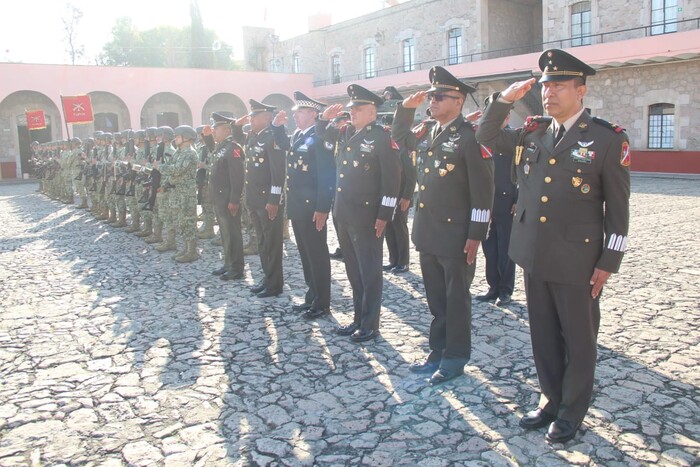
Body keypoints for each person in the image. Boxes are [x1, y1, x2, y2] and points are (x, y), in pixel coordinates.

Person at [476, 49, 631, 444]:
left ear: (581, 90)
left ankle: (571, 411)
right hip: (533, 252)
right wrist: (504, 99)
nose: (550, 93)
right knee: (542, 334)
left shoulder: (605, 139)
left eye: (559, 86)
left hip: (578, 259)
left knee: (579, 339)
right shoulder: (533, 131)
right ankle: (551, 398)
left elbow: (618, 207)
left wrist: (609, 260)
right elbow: (485, 137)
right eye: (546, 87)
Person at [392, 66, 494, 385]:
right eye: (431, 96)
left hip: (456, 235)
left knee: (456, 299)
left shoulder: (469, 138)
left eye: (438, 97)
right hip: (428, 232)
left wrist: (476, 236)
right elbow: (399, 139)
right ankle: (437, 350)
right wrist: (404, 109)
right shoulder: (428, 131)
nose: (432, 101)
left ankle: (455, 357)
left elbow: (483, 192)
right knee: (436, 298)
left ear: (458, 100)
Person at [317, 84, 401, 343]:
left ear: (372, 113)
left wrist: (385, 214)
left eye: (358, 109)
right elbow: (324, 141)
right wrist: (323, 120)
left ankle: (370, 324)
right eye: (351, 108)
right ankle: (357, 317)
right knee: (353, 271)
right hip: (343, 213)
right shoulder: (346, 134)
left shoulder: (382, 138)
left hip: (367, 216)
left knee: (369, 272)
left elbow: (392, 179)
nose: (352, 113)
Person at [272, 91, 336, 319]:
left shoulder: (319, 139)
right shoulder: (300, 135)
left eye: (300, 112)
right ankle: (312, 296)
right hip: (298, 206)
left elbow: (327, 176)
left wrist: (322, 209)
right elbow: (283, 144)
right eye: (296, 112)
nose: (295, 116)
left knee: (317, 255)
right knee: (306, 254)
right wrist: (277, 126)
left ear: (313, 114)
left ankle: (322, 302)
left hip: (312, 208)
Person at [233, 100, 286, 298]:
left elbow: (278, 173)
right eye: (251, 116)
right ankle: (267, 278)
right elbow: (238, 139)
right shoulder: (255, 137)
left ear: (267, 118)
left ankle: (275, 284)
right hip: (255, 200)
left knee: (272, 243)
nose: (251, 119)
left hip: (267, 201)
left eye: (255, 116)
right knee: (262, 242)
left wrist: (274, 200)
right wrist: (236, 126)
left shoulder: (272, 138)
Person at [475, 96, 518, 306]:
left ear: (507, 116)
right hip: (485, 202)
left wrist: (519, 199)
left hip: (506, 202)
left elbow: (523, 172)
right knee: (489, 248)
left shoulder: (514, 137)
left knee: (506, 249)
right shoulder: (480, 138)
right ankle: (493, 287)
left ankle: (506, 290)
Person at [380, 86, 417, 274]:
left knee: (400, 226)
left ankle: (403, 261)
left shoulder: (407, 139)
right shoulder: (389, 139)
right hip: (389, 193)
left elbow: (411, 171)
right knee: (389, 226)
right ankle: (393, 259)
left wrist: (407, 196)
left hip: (402, 192)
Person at [209, 112, 246, 281]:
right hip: (219, 199)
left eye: (215, 128)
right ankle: (228, 263)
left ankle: (236, 268)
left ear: (226, 130)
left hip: (228, 199)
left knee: (233, 233)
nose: (213, 131)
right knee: (225, 233)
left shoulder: (233, 148)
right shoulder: (221, 147)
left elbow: (237, 176)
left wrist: (234, 199)